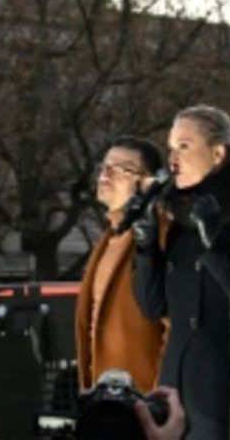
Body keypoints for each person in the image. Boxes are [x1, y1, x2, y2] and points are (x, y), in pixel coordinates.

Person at [132, 106, 230, 438]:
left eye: (184, 146)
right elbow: (152, 305)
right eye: (170, 148)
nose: (173, 159)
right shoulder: (180, 216)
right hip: (177, 395)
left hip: (228, 394)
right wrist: (145, 246)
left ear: (218, 153)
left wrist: (214, 241)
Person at [75, 136, 169, 393]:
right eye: (105, 166)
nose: (106, 173)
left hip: (145, 404)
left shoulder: (160, 234)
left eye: (122, 169)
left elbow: (175, 327)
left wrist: (160, 396)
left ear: (148, 183)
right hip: (104, 402)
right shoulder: (108, 239)